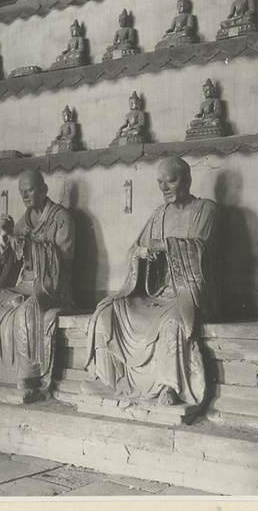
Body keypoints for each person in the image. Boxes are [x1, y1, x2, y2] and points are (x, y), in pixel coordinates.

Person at [83, 157, 220, 407]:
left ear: (187, 181)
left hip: (187, 290)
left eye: (171, 181)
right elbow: (135, 249)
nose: (165, 188)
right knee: (107, 310)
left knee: (174, 324)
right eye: (160, 182)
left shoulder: (205, 209)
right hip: (157, 290)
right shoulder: (159, 215)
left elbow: (202, 250)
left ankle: (170, 385)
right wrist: (144, 254)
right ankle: (112, 377)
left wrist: (165, 246)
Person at [0, 170, 75, 403]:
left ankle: (28, 379)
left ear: (44, 190)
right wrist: (6, 237)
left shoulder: (61, 218)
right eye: (21, 191)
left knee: (25, 310)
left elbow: (64, 261)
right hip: (21, 288)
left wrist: (29, 245)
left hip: (48, 288)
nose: (25, 196)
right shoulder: (26, 218)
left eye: (29, 190)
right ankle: (12, 301)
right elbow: (11, 261)